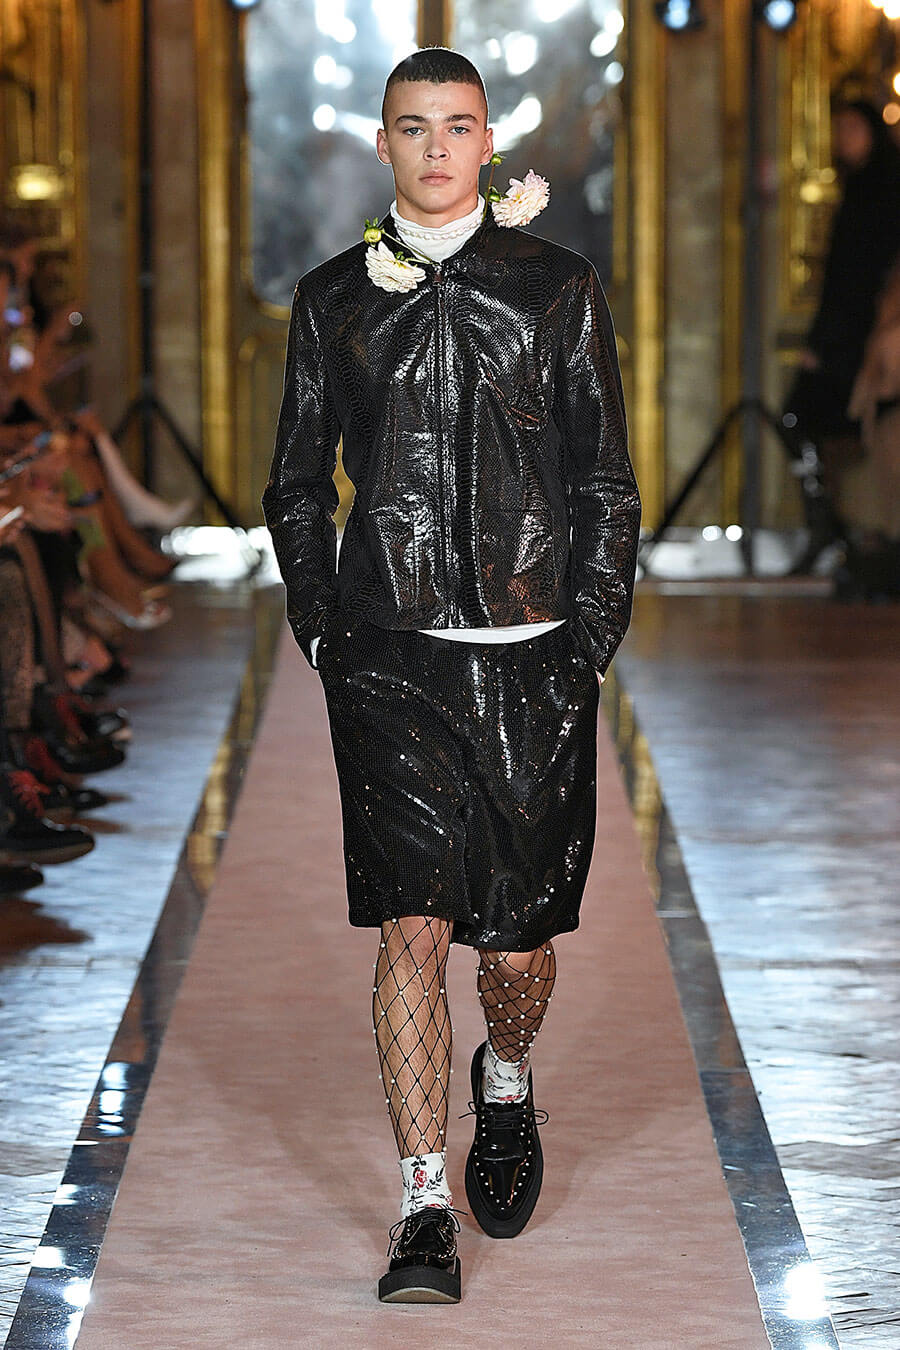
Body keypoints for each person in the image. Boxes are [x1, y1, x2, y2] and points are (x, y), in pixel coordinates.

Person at [262, 46, 642, 1304]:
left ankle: (509, 1073)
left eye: (458, 125)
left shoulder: (555, 287)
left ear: (489, 141)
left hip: (535, 660)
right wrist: (326, 631)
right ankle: (424, 1205)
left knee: (516, 950)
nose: (436, 147)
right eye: (414, 126)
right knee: (413, 927)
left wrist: (589, 637)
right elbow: (297, 483)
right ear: (384, 142)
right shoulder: (334, 300)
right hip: (389, 659)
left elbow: (605, 478)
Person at [782, 98, 900, 571]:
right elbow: (842, 280)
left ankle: (851, 538)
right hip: (852, 337)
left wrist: (831, 342)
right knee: (809, 423)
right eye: (839, 128)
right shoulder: (860, 189)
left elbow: (861, 278)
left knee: (867, 434)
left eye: (853, 127)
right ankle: (836, 533)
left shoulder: (885, 189)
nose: (843, 138)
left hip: (871, 340)